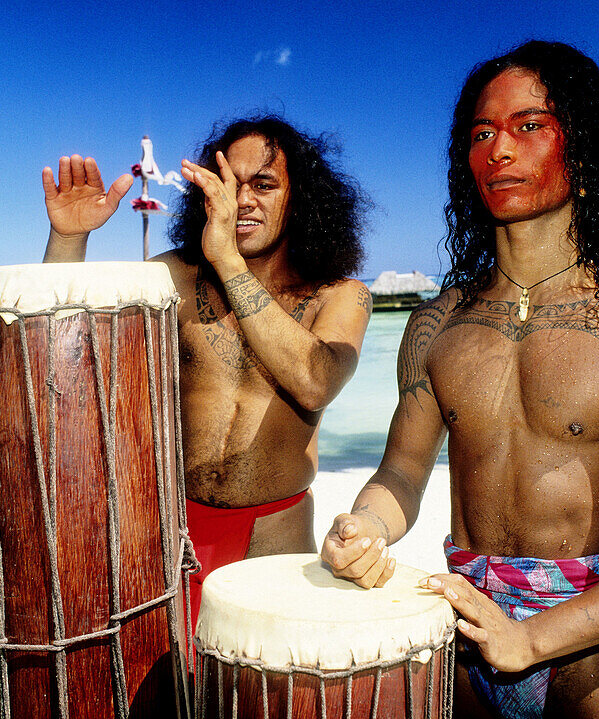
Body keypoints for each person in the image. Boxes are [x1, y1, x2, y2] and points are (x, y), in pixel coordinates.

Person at [321, 41, 599, 718]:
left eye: (529, 125)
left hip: (587, 652)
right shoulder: (437, 323)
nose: (499, 150)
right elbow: (401, 472)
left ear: (585, 146)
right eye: (482, 133)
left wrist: (532, 637)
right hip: (464, 639)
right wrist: (363, 524)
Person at [42, 115, 372, 631]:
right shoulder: (174, 275)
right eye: (227, 184)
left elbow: (315, 382)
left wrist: (228, 261)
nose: (242, 201)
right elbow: (63, 345)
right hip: (174, 534)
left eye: (263, 185)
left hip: (276, 537)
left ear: (299, 199)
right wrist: (69, 240)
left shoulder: (340, 294)